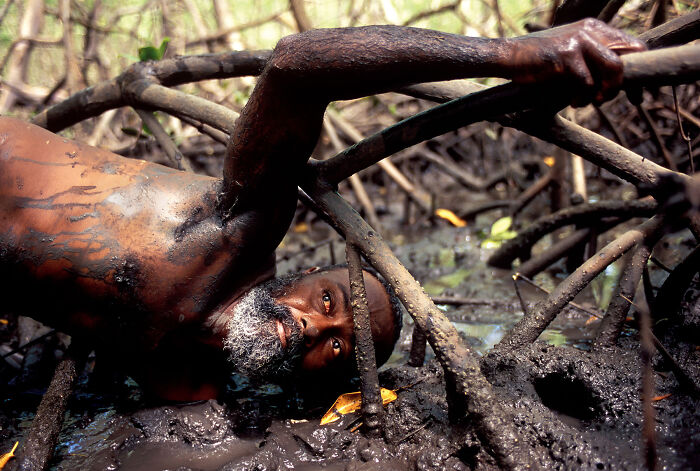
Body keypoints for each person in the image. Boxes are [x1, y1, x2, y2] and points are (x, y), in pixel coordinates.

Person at [0, 19, 645, 401]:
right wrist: (511, 54)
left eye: (335, 350)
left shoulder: (187, 378)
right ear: (308, 276)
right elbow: (294, 67)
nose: (313, 327)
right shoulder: (238, 234)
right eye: (330, 304)